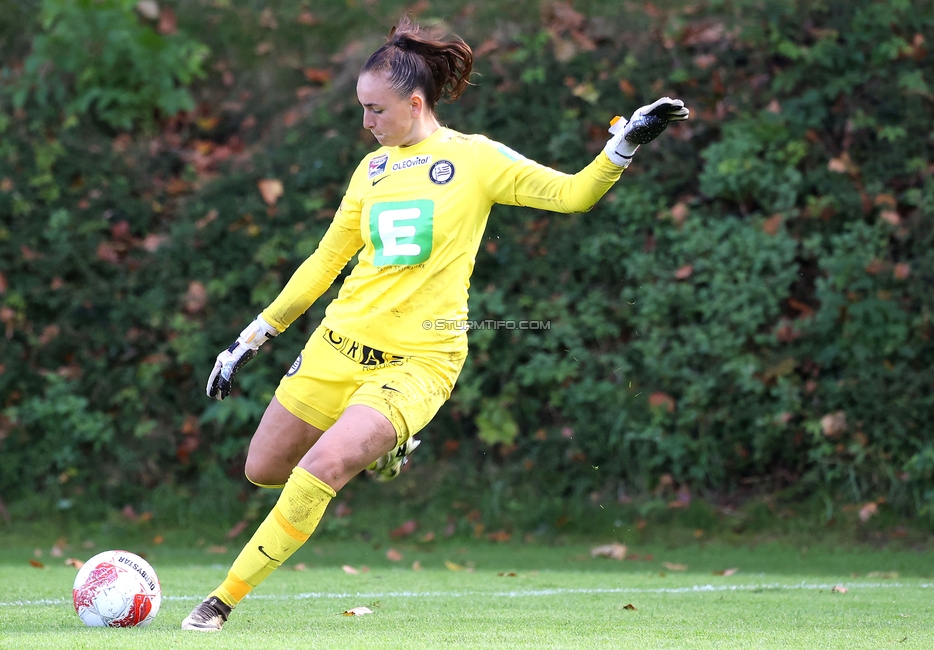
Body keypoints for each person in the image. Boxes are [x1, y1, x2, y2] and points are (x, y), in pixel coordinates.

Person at [181, 16, 689, 632]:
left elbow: (574, 195)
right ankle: (387, 447)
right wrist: (253, 337)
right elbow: (324, 262)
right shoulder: (370, 172)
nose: (365, 123)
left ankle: (221, 601)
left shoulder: (475, 160)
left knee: (323, 469)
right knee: (263, 470)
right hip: (337, 346)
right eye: (361, 109)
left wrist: (624, 145)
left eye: (375, 110)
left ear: (414, 103)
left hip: (419, 363)